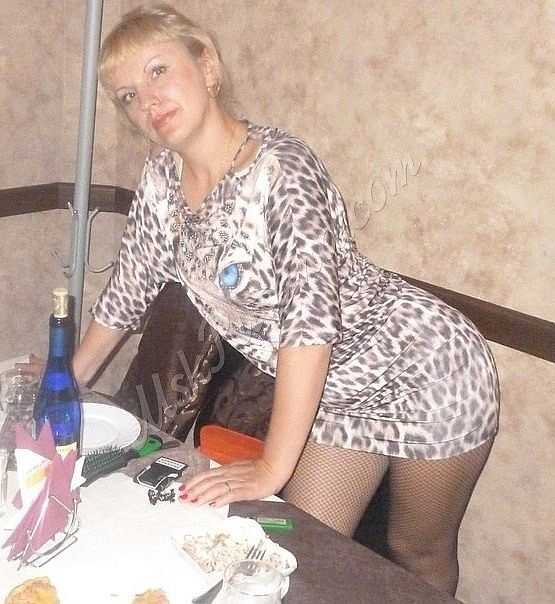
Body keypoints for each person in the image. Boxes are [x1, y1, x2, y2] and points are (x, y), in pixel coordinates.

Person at [72, 3, 500, 595]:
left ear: (207, 66)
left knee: (416, 550)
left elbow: (308, 328)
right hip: (340, 395)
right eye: (127, 95)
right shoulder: (162, 178)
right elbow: (128, 289)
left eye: (157, 71)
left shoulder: (281, 169)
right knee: (297, 552)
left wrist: (272, 467)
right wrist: (62, 386)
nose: (146, 100)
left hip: (430, 371)